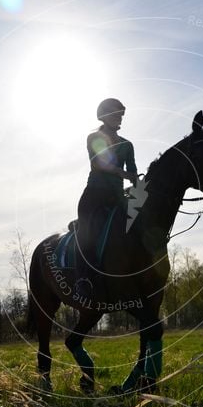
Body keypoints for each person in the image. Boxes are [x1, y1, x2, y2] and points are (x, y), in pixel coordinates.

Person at [74, 98, 138, 299]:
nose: (119, 118)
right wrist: (122, 173)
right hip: (94, 195)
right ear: (104, 116)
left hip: (117, 198)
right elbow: (98, 164)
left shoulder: (128, 145)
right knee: (87, 234)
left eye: (120, 114)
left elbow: (133, 172)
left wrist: (139, 185)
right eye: (115, 114)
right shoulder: (94, 137)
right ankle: (83, 278)